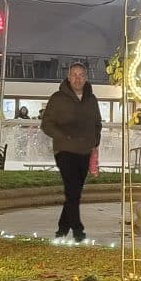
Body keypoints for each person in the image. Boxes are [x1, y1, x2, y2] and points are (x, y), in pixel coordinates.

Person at [41, 63, 102, 242]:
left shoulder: (92, 100)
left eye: (81, 75)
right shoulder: (58, 98)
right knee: (73, 189)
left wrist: (94, 140)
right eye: (74, 75)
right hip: (65, 150)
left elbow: (97, 123)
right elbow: (46, 124)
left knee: (74, 192)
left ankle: (62, 229)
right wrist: (63, 136)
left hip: (84, 150)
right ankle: (77, 229)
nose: (77, 78)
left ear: (86, 77)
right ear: (68, 77)